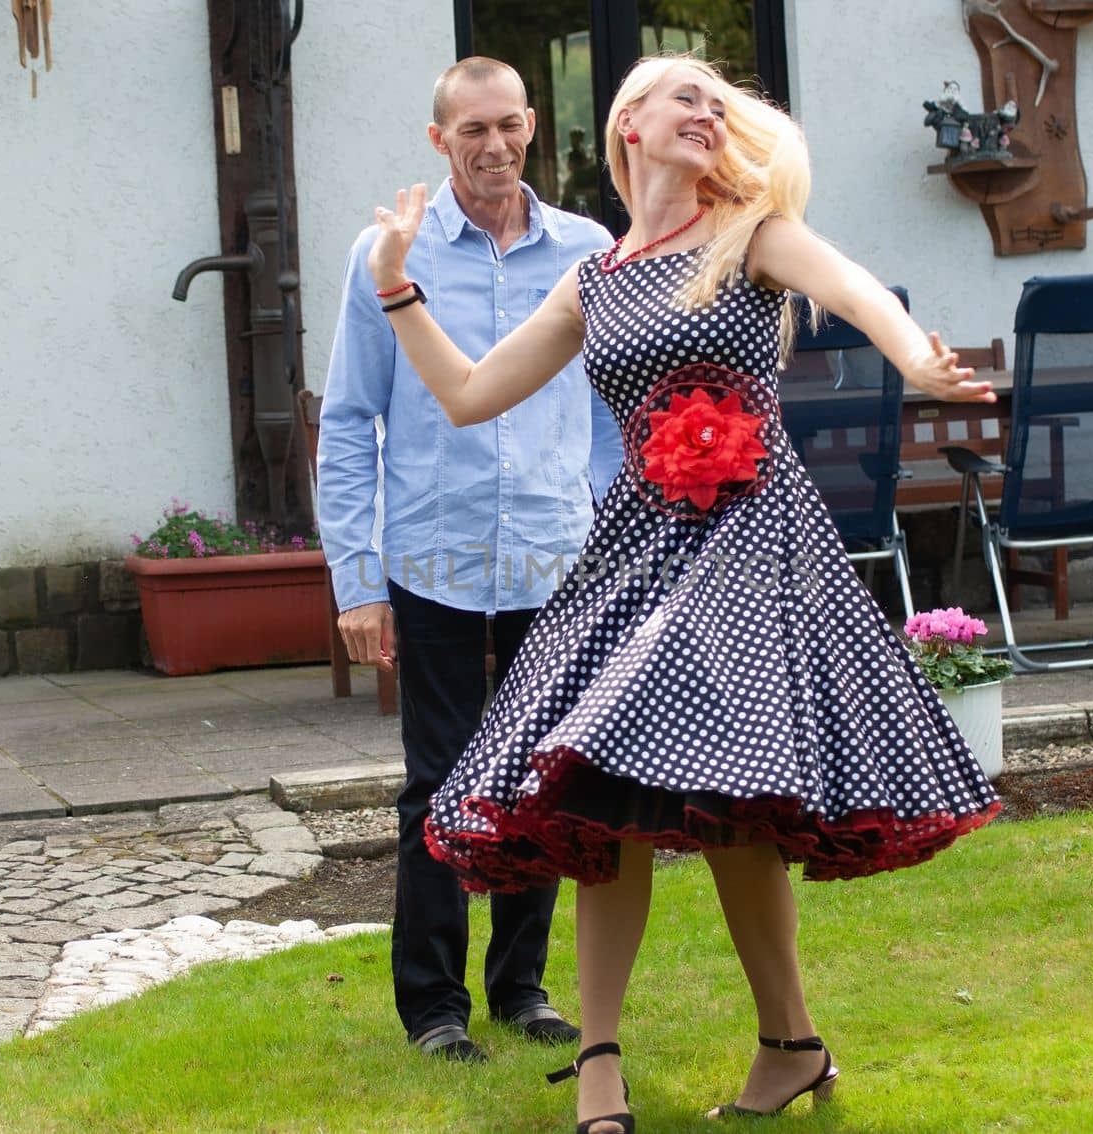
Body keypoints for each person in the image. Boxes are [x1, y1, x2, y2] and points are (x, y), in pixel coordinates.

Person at [362, 54, 1002, 1133]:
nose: (706, 115)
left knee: (732, 799)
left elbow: (848, 285)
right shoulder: (597, 278)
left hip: (752, 544)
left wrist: (914, 356)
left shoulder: (749, 232)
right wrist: (396, 285)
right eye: (685, 99)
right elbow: (472, 394)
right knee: (606, 788)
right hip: (638, 545)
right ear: (629, 125)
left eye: (717, 103)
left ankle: (789, 1045)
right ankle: (625, 1060)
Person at [317, 56, 622, 1065]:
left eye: (506, 125)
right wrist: (356, 583)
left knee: (543, 779)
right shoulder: (389, 253)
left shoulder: (588, 250)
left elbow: (616, 415)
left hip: (555, 555)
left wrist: (618, 536)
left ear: (531, 125)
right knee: (437, 786)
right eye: (469, 130)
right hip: (432, 557)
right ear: (437, 140)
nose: (491, 145)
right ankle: (433, 1008)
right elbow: (351, 422)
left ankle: (521, 989)